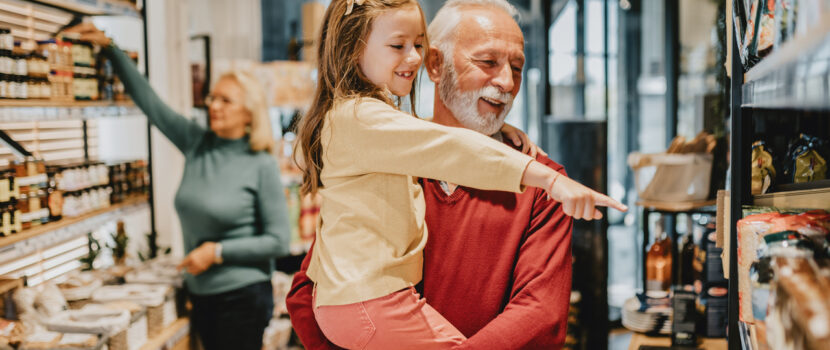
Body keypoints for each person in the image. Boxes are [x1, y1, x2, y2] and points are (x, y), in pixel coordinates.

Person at [291, 0, 626, 349]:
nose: (507, 82)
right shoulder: (385, 155)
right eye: (487, 62)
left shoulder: (545, 185)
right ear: (435, 64)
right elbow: (311, 287)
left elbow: (540, 316)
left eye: (517, 66)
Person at [64, 23, 292, 350]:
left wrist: (216, 252)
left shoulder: (261, 164)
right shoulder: (197, 143)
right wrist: (111, 48)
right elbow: (152, 105)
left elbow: (278, 241)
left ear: (248, 113)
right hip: (200, 294)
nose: (214, 105)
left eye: (226, 100)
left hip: (242, 298)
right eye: (213, 97)